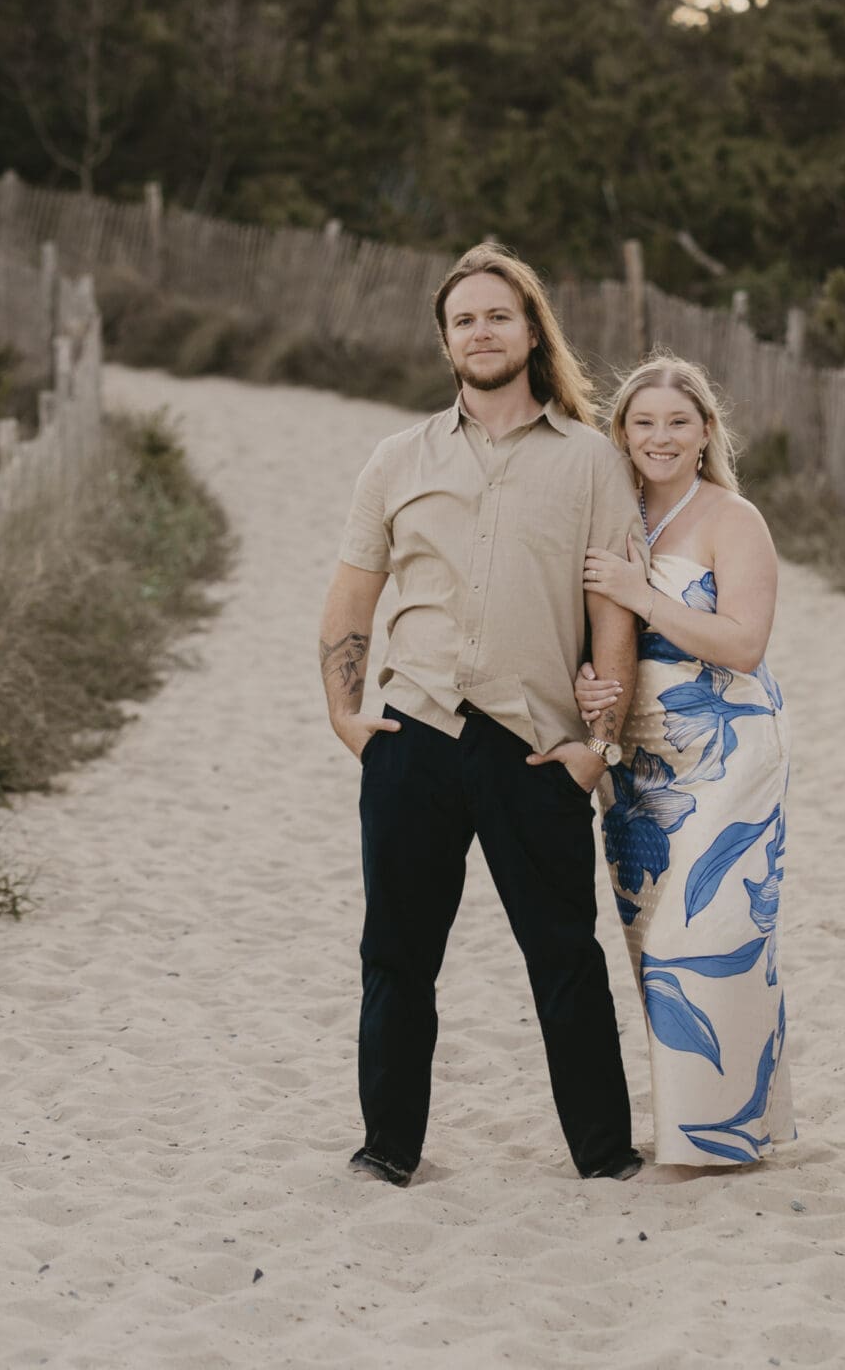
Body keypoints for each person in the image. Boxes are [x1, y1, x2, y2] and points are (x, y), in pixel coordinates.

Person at [317, 240, 645, 1187]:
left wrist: (599, 745)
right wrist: (346, 716)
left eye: (499, 315)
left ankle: (604, 1154)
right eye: (464, 320)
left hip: (536, 747)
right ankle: (389, 1148)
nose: (482, 331)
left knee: (564, 955)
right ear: (446, 341)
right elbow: (351, 598)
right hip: (412, 735)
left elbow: (613, 614)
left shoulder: (593, 463)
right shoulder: (397, 459)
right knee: (396, 954)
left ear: (532, 331)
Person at [575, 356, 794, 1169]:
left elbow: (744, 643)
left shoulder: (732, 518)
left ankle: (717, 1140)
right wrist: (585, 679)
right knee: (650, 944)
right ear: (622, 434)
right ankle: (715, 1128)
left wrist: (643, 596)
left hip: (729, 751)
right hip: (637, 763)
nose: (659, 437)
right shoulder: (613, 515)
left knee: (701, 933)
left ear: (705, 432)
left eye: (677, 422)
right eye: (643, 423)